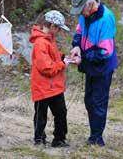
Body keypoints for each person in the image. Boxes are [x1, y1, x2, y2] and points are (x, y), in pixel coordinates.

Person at [70, 0, 118, 146]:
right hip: (90, 64)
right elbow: (79, 31)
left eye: (80, 9)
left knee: (98, 102)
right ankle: (94, 134)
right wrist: (76, 46)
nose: (79, 13)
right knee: (89, 100)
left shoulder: (106, 19)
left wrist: (83, 58)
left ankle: (97, 139)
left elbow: (105, 51)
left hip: (102, 67)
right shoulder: (84, 15)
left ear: (90, 4)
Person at [29, 10, 71, 147]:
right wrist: (62, 64)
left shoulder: (49, 39)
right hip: (42, 87)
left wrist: (63, 57)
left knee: (61, 112)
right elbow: (46, 67)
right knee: (41, 115)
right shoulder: (41, 42)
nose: (59, 31)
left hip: (55, 86)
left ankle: (59, 139)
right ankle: (39, 139)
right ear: (52, 26)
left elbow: (51, 57)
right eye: (59, 28)